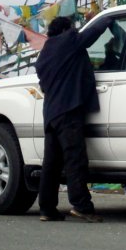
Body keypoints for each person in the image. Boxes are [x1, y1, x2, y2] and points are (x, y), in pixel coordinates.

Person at [35, 14, 110, 223]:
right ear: (66, 30)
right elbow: (91, 34)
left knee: (51, 163)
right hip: (68, 111)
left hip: (51, 114)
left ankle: (47, 209)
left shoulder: (46, 52)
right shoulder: (67, 42)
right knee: (75, 159)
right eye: (71, 29)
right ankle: (81, 206)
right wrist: (106, 19)